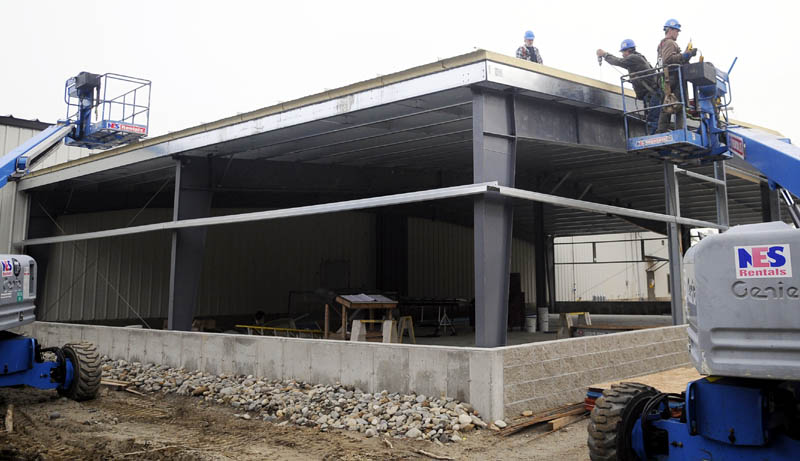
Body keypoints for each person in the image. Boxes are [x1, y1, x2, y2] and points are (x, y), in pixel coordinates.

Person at [597, 39, 661, 134]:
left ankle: (656, 140)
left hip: (653, 95)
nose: (622, 54)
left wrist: (605, 54)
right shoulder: (638, 59)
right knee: (652, 119)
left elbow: (618, 61)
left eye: (623, 52)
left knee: (653, 120)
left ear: (628, 50)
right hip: (651, 95)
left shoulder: (634, 58)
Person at [656, 18, 698, 132]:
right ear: (669, 30)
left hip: (666, 78)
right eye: (676, 31)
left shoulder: (663, 44)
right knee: (679, 104)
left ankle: (661, 130)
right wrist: (684, 55)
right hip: (673, 77)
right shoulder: (670, 42)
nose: (678, 33)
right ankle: (680, 130)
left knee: (667, 104)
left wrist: (687, 55)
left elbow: (673, 59)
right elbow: (668, 60)